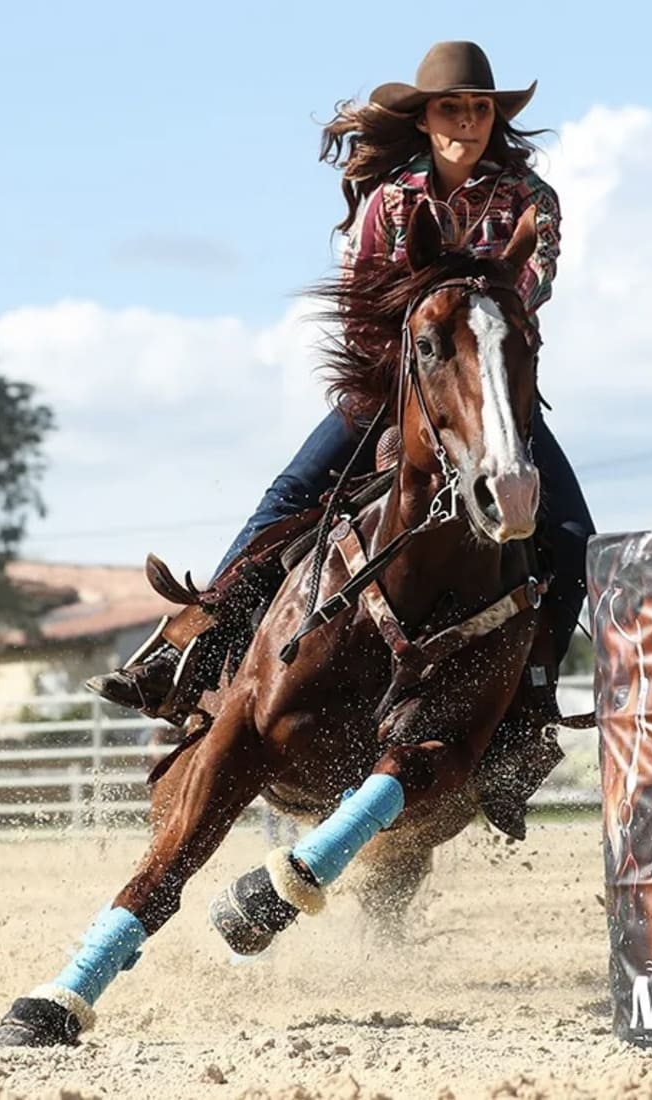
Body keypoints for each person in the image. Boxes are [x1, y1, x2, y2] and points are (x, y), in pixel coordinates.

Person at [87, 42, 594, 732]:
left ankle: (530, 699)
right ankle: (188, 656)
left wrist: (474, 314)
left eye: (478, 108)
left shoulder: (532, 199)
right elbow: (364, 298)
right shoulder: (389, 202)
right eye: (452, 107)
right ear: (424, 118)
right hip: (390, 383)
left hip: (486, 394)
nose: (467, 120)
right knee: (290, 496)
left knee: (569, 534)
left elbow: (534, 285)